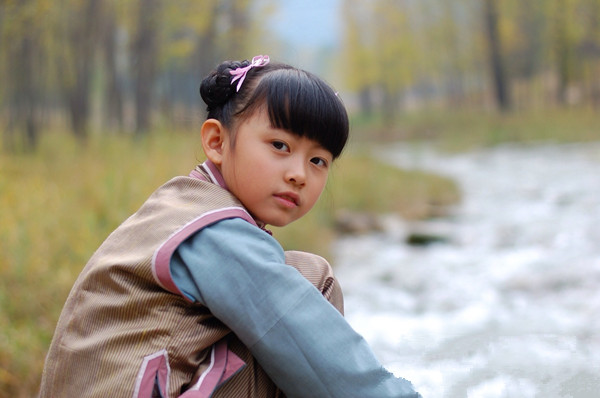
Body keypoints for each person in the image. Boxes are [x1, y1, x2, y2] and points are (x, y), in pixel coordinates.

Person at [39, 55, 421, 398]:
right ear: (217, 142)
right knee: (309, 282)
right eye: (280, 146)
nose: (298, 174)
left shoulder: (183, 207)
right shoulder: (211, 230)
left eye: (318, 161)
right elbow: (297, 328)